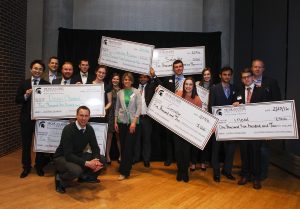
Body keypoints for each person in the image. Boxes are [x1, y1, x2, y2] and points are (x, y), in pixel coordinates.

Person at [53, 106, 104, 194]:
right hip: (62, 157)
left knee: (102, 160)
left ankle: (83, 177)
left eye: (86, 116)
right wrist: (87, 163)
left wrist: (96, 161)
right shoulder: (68, 129)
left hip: (77, 155)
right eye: (81, 115)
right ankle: (60, 178)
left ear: (89, 117)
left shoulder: (89, 129)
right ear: (76, 116)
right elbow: (68, 155)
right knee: (76, 170)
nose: (83, 118)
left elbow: (95, 147)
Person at [15, 59, 50, 178]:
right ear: (31, 69)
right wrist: (26, 95)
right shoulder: (24, 83)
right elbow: (17, 100)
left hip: (41, 120)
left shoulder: (47, 85)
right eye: (35, 68)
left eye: (40, 69)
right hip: (26, 119)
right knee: (26, 145)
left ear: (43, 71)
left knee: (40, 144)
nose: (37, 71)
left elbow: (50, 102)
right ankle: (26, 167)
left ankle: (39, 166)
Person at [233, 68, 267, 189]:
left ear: (253, 77)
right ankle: (245, 175)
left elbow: (266, 111)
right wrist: (235, 105)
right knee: (244, 153)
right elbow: (235, 107)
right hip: (243, 129)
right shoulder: (238, 92)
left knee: (255, 153)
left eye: (248, 76)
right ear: (242, 79)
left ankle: (256, 178)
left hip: (256, 129)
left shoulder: (261, 91)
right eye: (244, 77)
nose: (246, 79)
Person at [251, 59, 282, 180]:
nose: (257, 69)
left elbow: (277, 103)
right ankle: (253, 171)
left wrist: (273, 127)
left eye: (259, 67)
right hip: (251, 123)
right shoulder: (247, 81)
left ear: (263, 69)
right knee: (252, 149)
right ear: (252, 68)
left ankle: (262, 173)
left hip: (266, 123)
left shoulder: (271, 82)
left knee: (263, 150)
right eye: (255, 67)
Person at [151, 60, 185, 166]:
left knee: (181, 138)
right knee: (169, 137)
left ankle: (180, 159)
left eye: (180, 66)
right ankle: (169, 158)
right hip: (169, 112)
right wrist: (155, 78)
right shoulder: (169, 79)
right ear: (173, 69)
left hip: (183, 113)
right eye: (176, 67)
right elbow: (161, 87)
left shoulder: (187, 81)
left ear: (183, 67)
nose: (178, 68)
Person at [208, 66, 236, 182]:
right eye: (225, 74)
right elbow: (211, 107)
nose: (227, 77)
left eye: (229, 75)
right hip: (218, 125)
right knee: (216, 149)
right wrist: (213, 124)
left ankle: (227, 170)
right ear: (220, 76)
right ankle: (216, 172)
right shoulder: (214, 89)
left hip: (231, 125)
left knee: (230, 149)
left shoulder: (235, 88)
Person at [115, 72, 142, 180]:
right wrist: (115, 121)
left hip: (132, 123)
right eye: (125, 79)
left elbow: (139, 108)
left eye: (128, 79)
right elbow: (117, 108)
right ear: (123, 81)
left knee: (128, 147)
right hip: (121, 122)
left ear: (131, 81)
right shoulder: (120, 92)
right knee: (123, 146)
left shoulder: (136, 92)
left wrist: (134, 122)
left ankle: (124, 172)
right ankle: (126, 166)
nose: (126, 81)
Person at [175, 77, 202, 182]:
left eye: (190, 84)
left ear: (193, 86)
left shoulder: (197, 99)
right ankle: (179, 170)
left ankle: (185, 172)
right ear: (184, 85)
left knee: (186, 152)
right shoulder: (178, 94)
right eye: (186, 84)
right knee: (177, 151)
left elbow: (200, 117)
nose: (188, 86)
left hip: (188, 131)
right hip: (177, 128)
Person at [133, 70, 158, 167]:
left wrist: (154, 76)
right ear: (139, 78)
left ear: (148, 78)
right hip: (136, 117)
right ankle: (135, 158)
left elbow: (160, 85)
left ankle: (146, 159)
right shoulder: (135, 88)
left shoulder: (151, 87)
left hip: (147, 118)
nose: (143, 79)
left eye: (145, 77)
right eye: (141, 77)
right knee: (136, 139)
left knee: (147, 140)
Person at [191, 67, 214, 172]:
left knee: (205, 142)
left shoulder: (214, 87)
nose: (206, 76)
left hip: (208, 117)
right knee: (195, 141)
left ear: (211, 75)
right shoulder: (196, 85)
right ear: (202, 75)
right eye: (205, 74)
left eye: (208, 74)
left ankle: (203, 162)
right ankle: (193, 162)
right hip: (196, 115)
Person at [106, 73, 122, 164]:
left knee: (119, 137)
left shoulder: (121, 90)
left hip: (119, 115)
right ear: (111, 80)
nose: (115, 80)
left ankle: (121, 155)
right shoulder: (108, 89)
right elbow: (109, 103)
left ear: (119, 80)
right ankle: (107, 156)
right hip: (110, 114)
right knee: (109, 137)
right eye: (114, 79)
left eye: (117, 79)